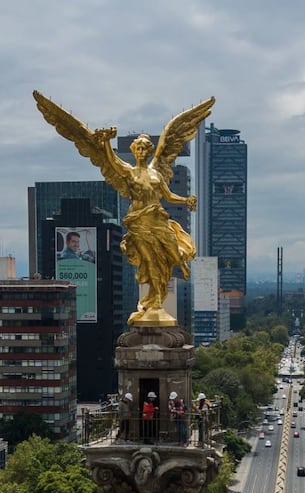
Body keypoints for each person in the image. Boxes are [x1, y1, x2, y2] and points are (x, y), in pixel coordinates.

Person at [32, 91, 214, 325]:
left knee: (169, 253)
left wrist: (186, 200)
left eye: (144, 148)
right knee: (150, 262)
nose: (141, 152)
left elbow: (167, 196)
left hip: (158, 220)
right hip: (139, 224)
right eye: (138, 148)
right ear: (135, 151)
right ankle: (155, 302)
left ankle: (178, 267)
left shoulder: (157, 172)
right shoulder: (128, 172)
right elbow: (111, 160)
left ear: (149, 151)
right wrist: (106, 142)